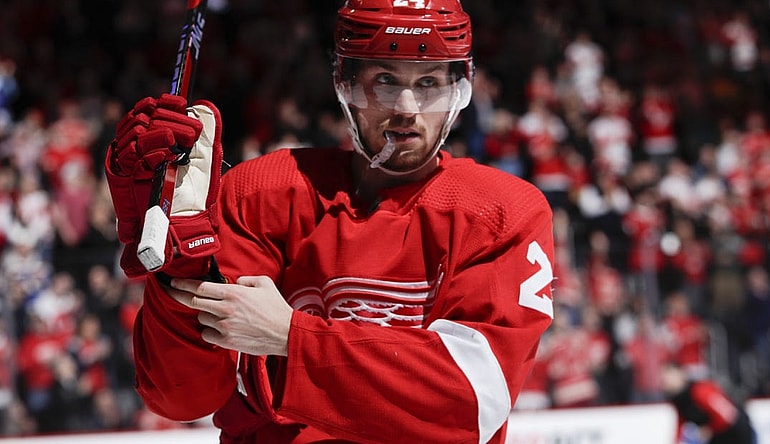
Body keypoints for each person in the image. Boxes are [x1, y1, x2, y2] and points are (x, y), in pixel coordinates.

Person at [104, 1, 555, 442]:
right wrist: (177, 257)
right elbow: (182, 398)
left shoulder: (502, 213)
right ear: (345, 82)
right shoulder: (260, 194)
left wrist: (291, 337)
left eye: (430, 82)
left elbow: (471, 400)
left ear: (460, 89)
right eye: (383, 79)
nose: (406, 106)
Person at [661, 362, 757, 444]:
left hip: (736, 432)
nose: (667, 382)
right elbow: (681, 424)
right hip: (717, 436)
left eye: (670, 376)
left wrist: (709, 429)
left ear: (681, 374)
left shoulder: (700, 390)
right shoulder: (678, 399)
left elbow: (728, 414)